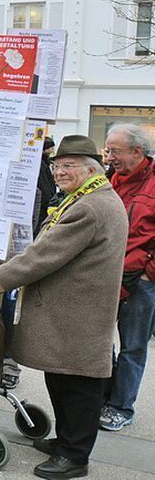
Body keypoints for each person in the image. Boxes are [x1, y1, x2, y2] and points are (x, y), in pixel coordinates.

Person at [0, 136, 128, 480]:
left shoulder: (89, 206)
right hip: (72, 313)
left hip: (78, 314)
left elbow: (45, 254)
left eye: (69, 165)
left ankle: (75, 457)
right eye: (56, 165)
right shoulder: (88, 198)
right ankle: (67, 442)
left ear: (91, 169)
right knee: (63, 380)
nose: (59, 172)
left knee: (80, 386)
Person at [100, 124, 155, 433]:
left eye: (114, 151)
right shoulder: (109, 181)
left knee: (133, 346)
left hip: (141, 281)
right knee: (101, 340)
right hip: (106, 275)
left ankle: (121, 406)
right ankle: (104, 396)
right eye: (108, 150)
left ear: (137, 151)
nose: (109, 157)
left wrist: (149, 272)